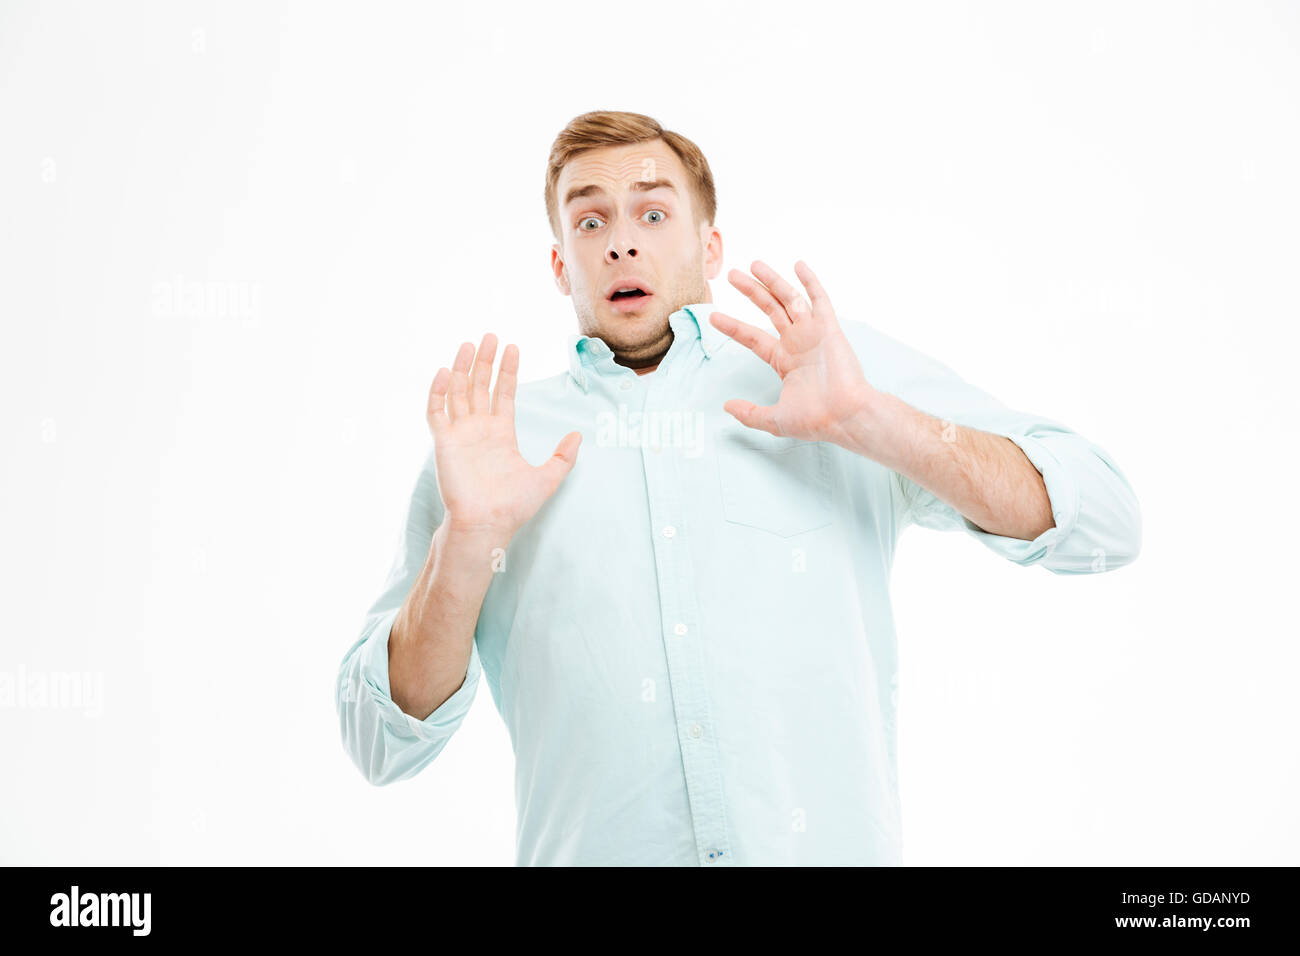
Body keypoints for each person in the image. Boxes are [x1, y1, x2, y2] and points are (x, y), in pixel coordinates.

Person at [335, 110, 1142, 866]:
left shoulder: (827, 377)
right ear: (560, 264)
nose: (622, 244)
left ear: (709, 249)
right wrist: (466, 545)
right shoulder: (493, 446)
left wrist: (874, 422)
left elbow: (1104, 524)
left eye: (653, 214)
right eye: (591, 221)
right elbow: (379, 743)